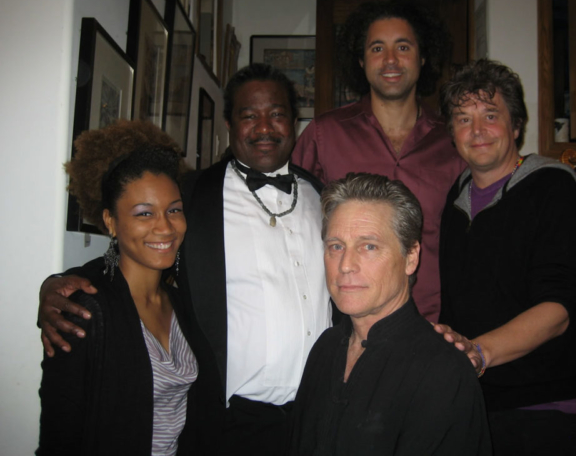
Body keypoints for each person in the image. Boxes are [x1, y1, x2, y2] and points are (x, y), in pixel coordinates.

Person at [38, 64, 332, 456]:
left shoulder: (321, 195)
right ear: (229, 124)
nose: (264, 127)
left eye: (277, 114)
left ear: (294, 122)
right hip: (234, 424)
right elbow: (137, 245)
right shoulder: (193, 195)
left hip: (322, 414)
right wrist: (59, 284)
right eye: (249, 116)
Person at [291, 0, 576, 323]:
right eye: (377, 48)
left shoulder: (456, 139)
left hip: (437, 324)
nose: (390, 60)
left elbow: (497, 193)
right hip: (349, 322)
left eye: (403, 47)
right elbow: (291, 215)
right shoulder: (324, 134)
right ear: (361, 60)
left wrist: (563, 208)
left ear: (423, 57)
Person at [436, 59, 576, 455]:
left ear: (516, 126)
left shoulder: (552, 188)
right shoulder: (456, 198)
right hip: (473, 403)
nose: (477, 130)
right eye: (463, 119)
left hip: (542, 408)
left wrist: (478, 352)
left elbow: (558, 310)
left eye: (491, 115)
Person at [37, 120, 221, 455]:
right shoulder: (82, 311)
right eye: (144, 214)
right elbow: (59, 437)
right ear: (110, 221)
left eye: (174, 210)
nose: (165, 227)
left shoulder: (180, 302)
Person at [290, 173, 491, 456]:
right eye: (336, 246)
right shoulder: (325, 348)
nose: (345, 265)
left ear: (411, 257)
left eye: (369, 246)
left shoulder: (443, 372)